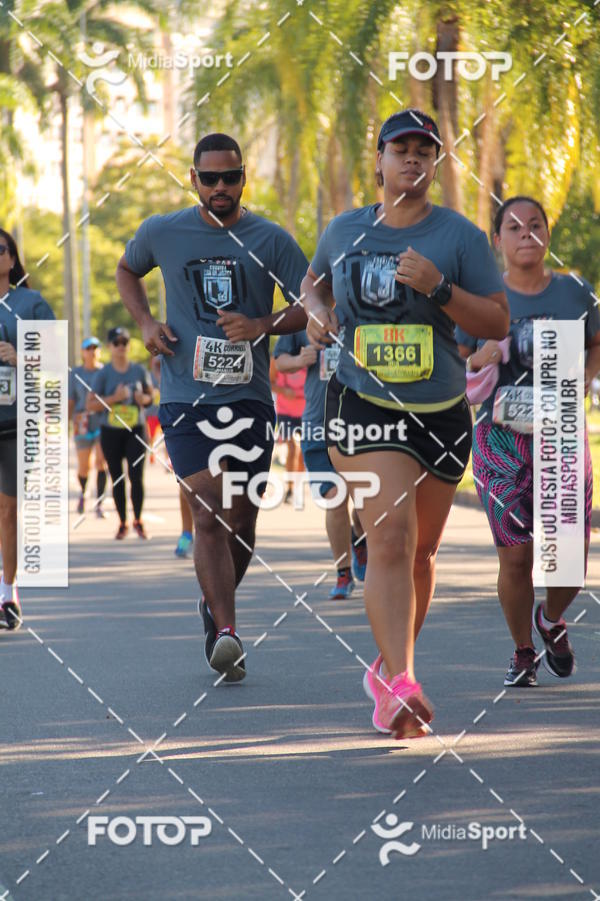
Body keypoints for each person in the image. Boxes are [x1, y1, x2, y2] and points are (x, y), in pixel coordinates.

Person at [302, 109, 509, 738]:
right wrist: (316, 312)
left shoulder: (460, 237)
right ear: (380, 159)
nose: (413, 160)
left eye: (425, 151)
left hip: (440, 411)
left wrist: (440, 289)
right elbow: (312, 284)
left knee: (420, 552)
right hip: (363, 405)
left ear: (434, 163)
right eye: (402, 149)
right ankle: (402, 687)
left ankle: (389, 671)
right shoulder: (345, 230)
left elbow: (497, 322)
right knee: (389, 538)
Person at [115, 132, 309, 683]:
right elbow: (127, 270)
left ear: (243, 178)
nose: (220, 187)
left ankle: (212, 602)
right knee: (206, 510)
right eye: (210, 178)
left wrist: (261, 326)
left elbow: (314, 303)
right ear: (193, 178)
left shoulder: (269, 239)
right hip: (183, 398)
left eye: (230, 177)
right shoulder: (162, 231)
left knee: (242, 519)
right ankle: (226, 630)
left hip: (248, 399)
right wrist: (147, 324)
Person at [456, 196, 600, 687]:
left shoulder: (576, 293)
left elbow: (596, 343)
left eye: (535, 226)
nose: (526, 234)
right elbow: (461, 359)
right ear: (498, 240)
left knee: (570, 560)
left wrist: (583, 376)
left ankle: (551, 619)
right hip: (499, 439)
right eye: (514, 227)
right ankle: (522, 651)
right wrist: (485, 355)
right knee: (515, 556)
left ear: (548, 234)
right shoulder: (481, 298)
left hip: (561, 435)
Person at [273, 329, 367, 597]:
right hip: (318, 423)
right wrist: (299, 360)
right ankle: (343, 573)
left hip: (363, 423)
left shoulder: (362, 305)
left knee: (364, 503)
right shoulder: (304, 312)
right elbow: (279, 359)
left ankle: (359, 536)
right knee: (336, 496)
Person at [0, 228, 55, 630]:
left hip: (16, 422)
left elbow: (54, 359)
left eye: (0, 250)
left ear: (12, 259)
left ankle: (7, 593)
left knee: (8, 509)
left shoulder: (31, 303)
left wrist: (21, 357)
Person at [87, 327, 153, 540]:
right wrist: (114, 397)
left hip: (135, 430)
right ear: (110, 347)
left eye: (125, 342)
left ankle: (138, 520)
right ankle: (123, 522)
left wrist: (141, 398)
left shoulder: (139, 371)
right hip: (111, 432)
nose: (121, 346)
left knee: (136, 476)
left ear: (129, 345)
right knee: (117, 478)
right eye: (117, 342)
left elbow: (150, 399)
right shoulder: (103, 373)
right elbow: (91, 404)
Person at [69, 336, 108, 517]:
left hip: (102, 420)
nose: (92, 351)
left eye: (95, 347)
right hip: (82, 421)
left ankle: (99, 503)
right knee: (85, 466)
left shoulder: (105, 371)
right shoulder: (75, 373)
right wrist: (69, 422)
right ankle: (83, 493)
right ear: (83, 352)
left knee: (102, 462)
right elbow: (70, 400)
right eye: (88, 348)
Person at [270, 356, 305, 503]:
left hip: (306, 411)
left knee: (303, 452)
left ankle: (297, 487)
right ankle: (290, 489)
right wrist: (283, 391)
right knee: (293, 448)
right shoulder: (277, 357)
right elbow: (269, 383)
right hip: (285, 412)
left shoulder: (309, 354)